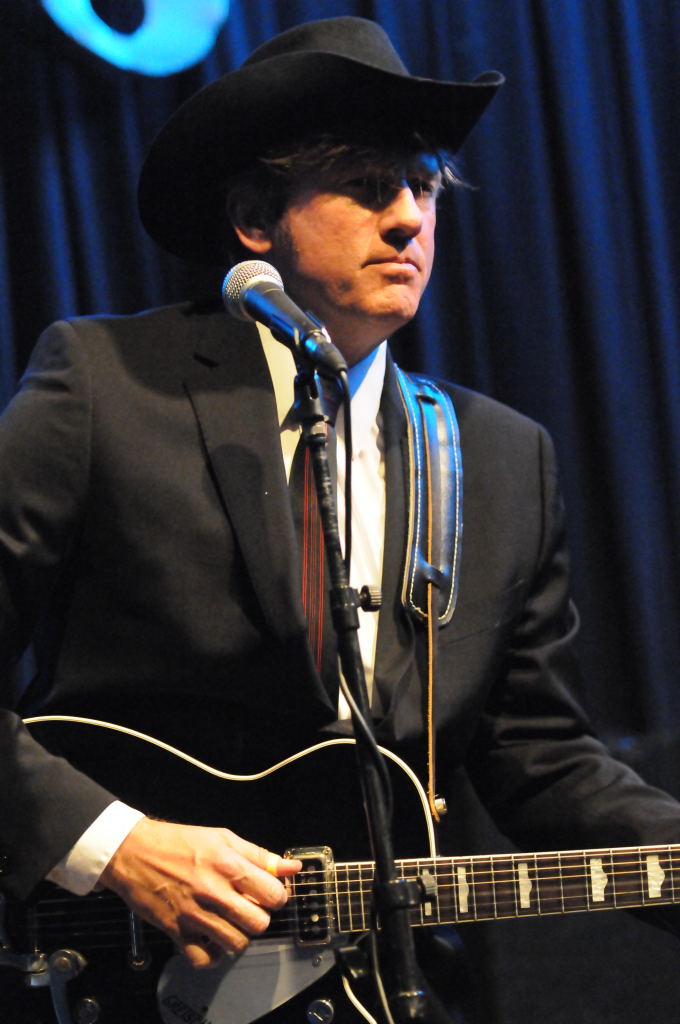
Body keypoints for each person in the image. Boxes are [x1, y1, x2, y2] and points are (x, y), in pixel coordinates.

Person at [1, 15, 679, 1023]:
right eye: (366, 185)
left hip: (386, 988)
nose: (408, 219)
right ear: (253, 219)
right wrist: (113, 844)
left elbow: (542, 758)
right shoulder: (106, 386)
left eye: (424, 187)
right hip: (117, 978)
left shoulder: (500, 457)